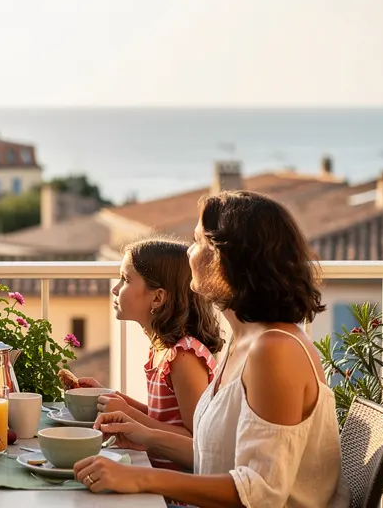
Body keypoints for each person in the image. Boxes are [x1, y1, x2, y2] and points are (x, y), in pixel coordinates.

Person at [73, 191, 349, 507]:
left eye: (198, 242)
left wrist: (140, 478)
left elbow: (260, 493)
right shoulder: (244, 341)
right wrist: (144, 436)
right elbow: (214, 458)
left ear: (226, 260)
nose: (190, 253)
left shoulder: (275, 351)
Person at [79, 237, 224, 471]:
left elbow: (196, 439)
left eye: (125, 280)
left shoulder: (184, 356)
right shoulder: (162, 349)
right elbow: (161, 419)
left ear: (157, 297)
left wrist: (129, 416)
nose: (115, 289)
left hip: (179, 493)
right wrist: (109, 396)